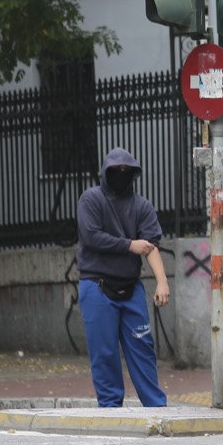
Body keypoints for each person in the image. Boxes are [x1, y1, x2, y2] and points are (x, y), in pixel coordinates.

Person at [77, 148, 170, 407]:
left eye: (126, 171)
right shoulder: (91, 199)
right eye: (115, 171)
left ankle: (156, 406)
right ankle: (109, 407)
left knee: (143, 348)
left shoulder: (142, 206)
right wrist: (130, 245)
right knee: (104, 353)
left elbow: (150, 245)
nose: (121, 175)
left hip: (131, 288)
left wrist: (162, 281)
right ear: (105, 173)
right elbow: (91, 236)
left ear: (133, 174)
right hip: (96, 286)